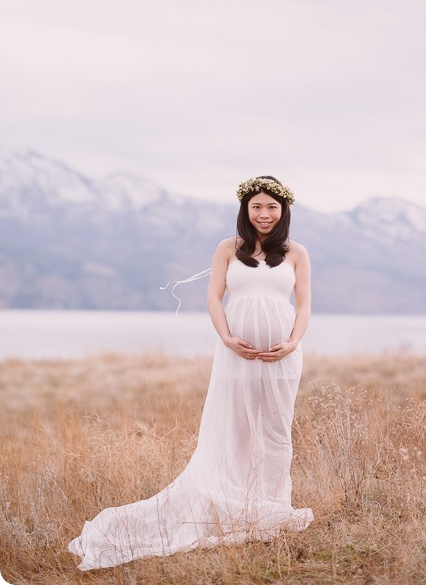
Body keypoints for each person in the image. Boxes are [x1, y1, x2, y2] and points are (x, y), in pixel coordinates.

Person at [68, 175, 314, 571]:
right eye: (256, 206)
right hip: (236, 354)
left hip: (283, 356)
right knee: (233, 428)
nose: (264, 214)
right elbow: (214, 298)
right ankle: (233, 502)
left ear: (284, 210)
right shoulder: (227, 249)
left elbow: (303, 306)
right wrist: (228, 338)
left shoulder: (297, 253)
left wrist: (292, 342)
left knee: (275, 429)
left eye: (271, 206)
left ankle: (272, 508)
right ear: (245, 210)